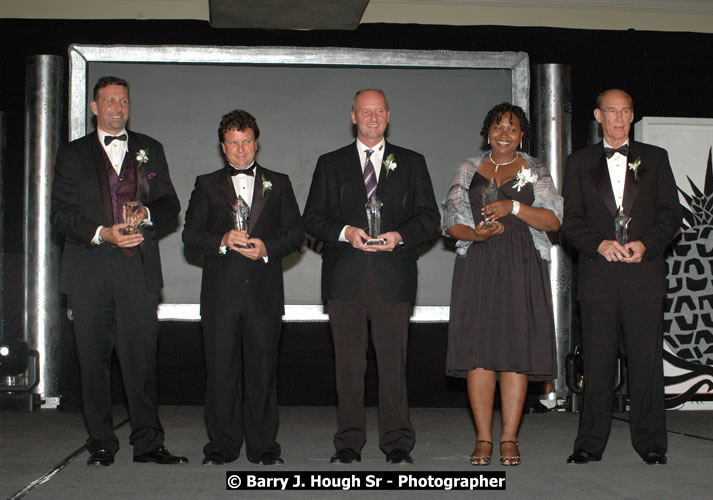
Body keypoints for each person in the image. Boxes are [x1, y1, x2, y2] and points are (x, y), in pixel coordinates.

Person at [50, 76, 186, 466]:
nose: (117, 108)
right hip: (89, 272)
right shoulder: (72, 154)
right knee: (93, 362)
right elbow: (60, 215)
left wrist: (146, 213)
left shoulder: (150, 148)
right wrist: (102, 233)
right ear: (94, 108)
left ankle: (148, 443)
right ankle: (101, 443)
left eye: (123, 101)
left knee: (141, 359)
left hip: (138, 272)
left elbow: (170, 204)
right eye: (109, 101)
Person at [303, 89, 440, 465]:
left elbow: (430, 218)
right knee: (348, 367)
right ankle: (348, 443)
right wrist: (346, 232)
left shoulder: (412, 162)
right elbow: (311, 218)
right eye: (366, 112)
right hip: (344, 280)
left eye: (379, 111)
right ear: (353, 117)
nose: (373, 117)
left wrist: (399, 236)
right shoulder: (330, 164)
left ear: (389, 116)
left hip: (392, 278)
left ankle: (397, 443)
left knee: (393, 366)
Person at [562, 89, 682, 465]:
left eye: (625, 111)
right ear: (598, 115)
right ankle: (589, 444)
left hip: (643, 277)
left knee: (646, 365)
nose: (619, 118)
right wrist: (598, 244)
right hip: (598, 279)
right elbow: (571, 222)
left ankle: (651, 444)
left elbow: (671, 216)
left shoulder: (656, 158)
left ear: (633, 116)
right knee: (596, 365)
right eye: (611, 111)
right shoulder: (579, 162)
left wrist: (646, 244)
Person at [442, 102, 562, 466]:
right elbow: (450, 221)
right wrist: (475, 236)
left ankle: (509, 438)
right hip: (478, 263)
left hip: (522, 263)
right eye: (498, 127)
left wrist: (512, 208)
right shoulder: (468, 168)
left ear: (522, 134)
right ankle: (483, 438)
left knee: (515, 351)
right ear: (487, 131)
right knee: (479, 352)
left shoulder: (535, 169)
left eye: (512, 128)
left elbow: (553, 220)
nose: (504, 134)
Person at [182, 110, 303, 466]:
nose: (240, 150)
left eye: (246, 141)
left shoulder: (278, 182)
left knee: (263, 374)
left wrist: (268, 247)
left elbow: (296, 233)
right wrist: (221, 238)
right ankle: (221, 446)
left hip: (264, 295)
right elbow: (190, 235)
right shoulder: (206, 183)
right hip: (221, 296)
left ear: (256, 142)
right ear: (223, 147)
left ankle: (264, 448)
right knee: (220, 374)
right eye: (233, 143)